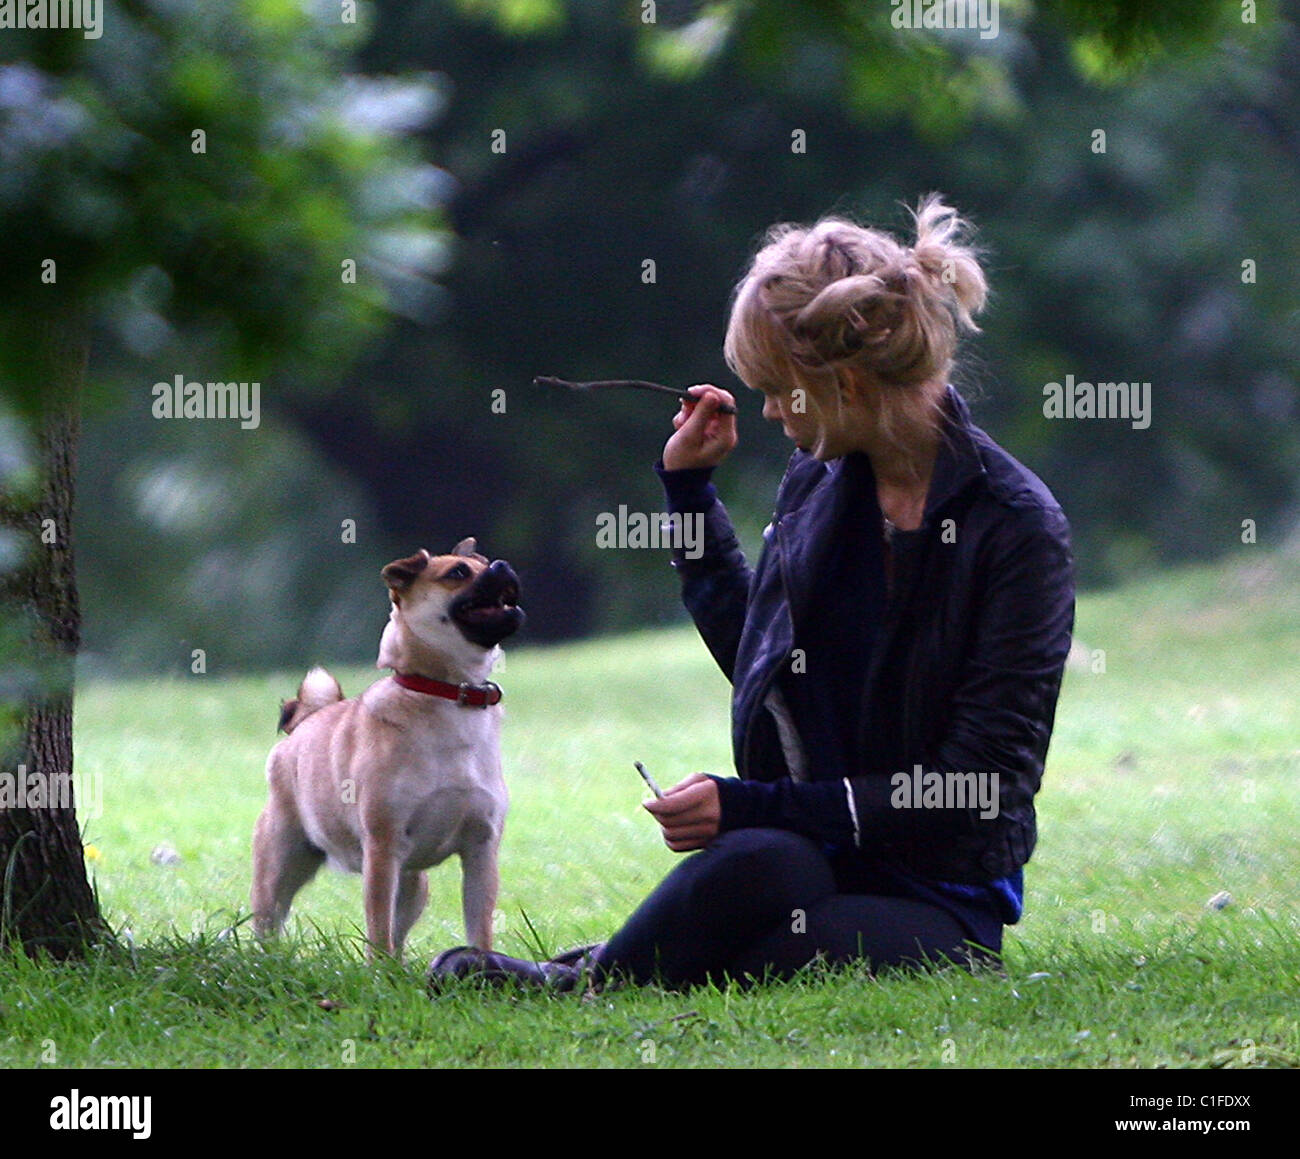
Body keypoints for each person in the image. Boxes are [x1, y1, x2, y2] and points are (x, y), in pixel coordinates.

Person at [429, 194, 1076, 991]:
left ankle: (586, 981)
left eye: (777, 389)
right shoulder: (821, 479)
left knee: (771, 941)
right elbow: (766, 662)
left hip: (935, 897)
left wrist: (753, 803)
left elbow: (981, 784)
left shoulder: (1016, 530)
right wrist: (689, 492)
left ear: (841, 380)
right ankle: (603, 974)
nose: (769, 412)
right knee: (757, 861)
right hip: (808, 856)